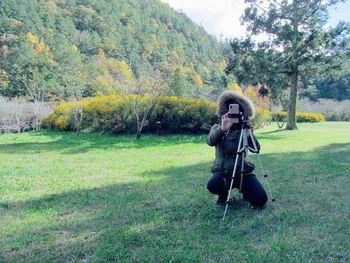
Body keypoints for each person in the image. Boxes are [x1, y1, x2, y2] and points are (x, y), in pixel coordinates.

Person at [206, 90, 267, 208]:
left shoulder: (244, 130)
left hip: (243, 173)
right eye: (230, 111)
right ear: (224, 112)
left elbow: (256, 149)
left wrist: (249, 134)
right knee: (213, 184)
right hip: (223, 172)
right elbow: (210, 141)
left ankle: (246, 191)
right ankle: (223, 195)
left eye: (236, 112)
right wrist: (222, 129)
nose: (233, 114)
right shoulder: (217, 127)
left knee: (260, 199)